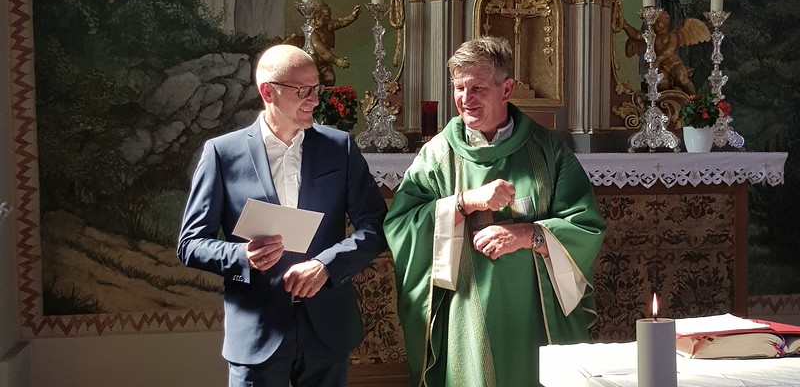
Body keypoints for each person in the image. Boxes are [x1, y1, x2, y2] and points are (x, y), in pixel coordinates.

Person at [384, 36, 607, 386]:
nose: (465, 99)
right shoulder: (437, 155)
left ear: (507, 89)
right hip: (464, 315)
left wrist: (527, 234)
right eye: (459, 88)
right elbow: (401, 225)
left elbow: (585, 226)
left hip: (535, 313)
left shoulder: (548, 151)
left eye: (477, 88)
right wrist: (464, 202)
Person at [178, 44, 387, 387]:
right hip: (257, 329)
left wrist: (327, 266)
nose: (314, 100)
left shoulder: (340, 148)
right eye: (303, 91)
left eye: (316, 89)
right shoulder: (222, 154)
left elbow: (375, 226)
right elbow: (190, 243)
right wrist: (242, 256)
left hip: (327, 326)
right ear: (267, 92)